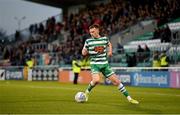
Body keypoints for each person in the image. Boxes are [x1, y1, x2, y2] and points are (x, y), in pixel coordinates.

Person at [82, 24, 139, 104]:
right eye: (90, 32)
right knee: (96, 80)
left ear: (98, 30)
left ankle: (130, 99)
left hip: (105, 64)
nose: (91, 33)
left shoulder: (104, 39)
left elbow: (109, 44)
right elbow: (83, 52)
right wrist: (84, 52)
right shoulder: (88, 41)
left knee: (117, 82)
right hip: (95, 64)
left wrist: (110, 51)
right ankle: (87, 92)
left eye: (93, 32)